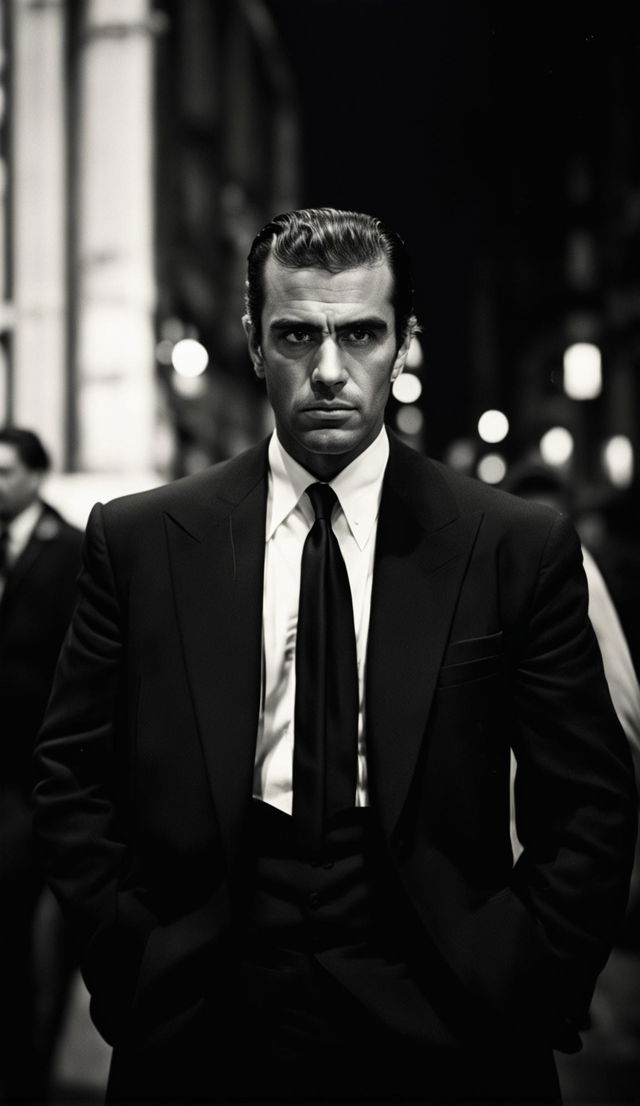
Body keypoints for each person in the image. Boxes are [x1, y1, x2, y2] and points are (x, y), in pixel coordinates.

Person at [32, 209, 637, 1106]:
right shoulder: (143, 540)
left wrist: (525, 977)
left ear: (403, 346)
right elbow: (71, 774)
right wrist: (132, 956)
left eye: (360, 334)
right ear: (251, 341)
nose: (327, 371)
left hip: (449, 1015)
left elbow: (589, 798)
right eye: (296, 335)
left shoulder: (512, 545)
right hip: (203, 1015)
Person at [0, 427, 83, 1102]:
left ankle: (28, 1070)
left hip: (30, 781)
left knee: (27, 935)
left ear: (35, 475)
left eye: (3, 472)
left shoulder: (72, 549)